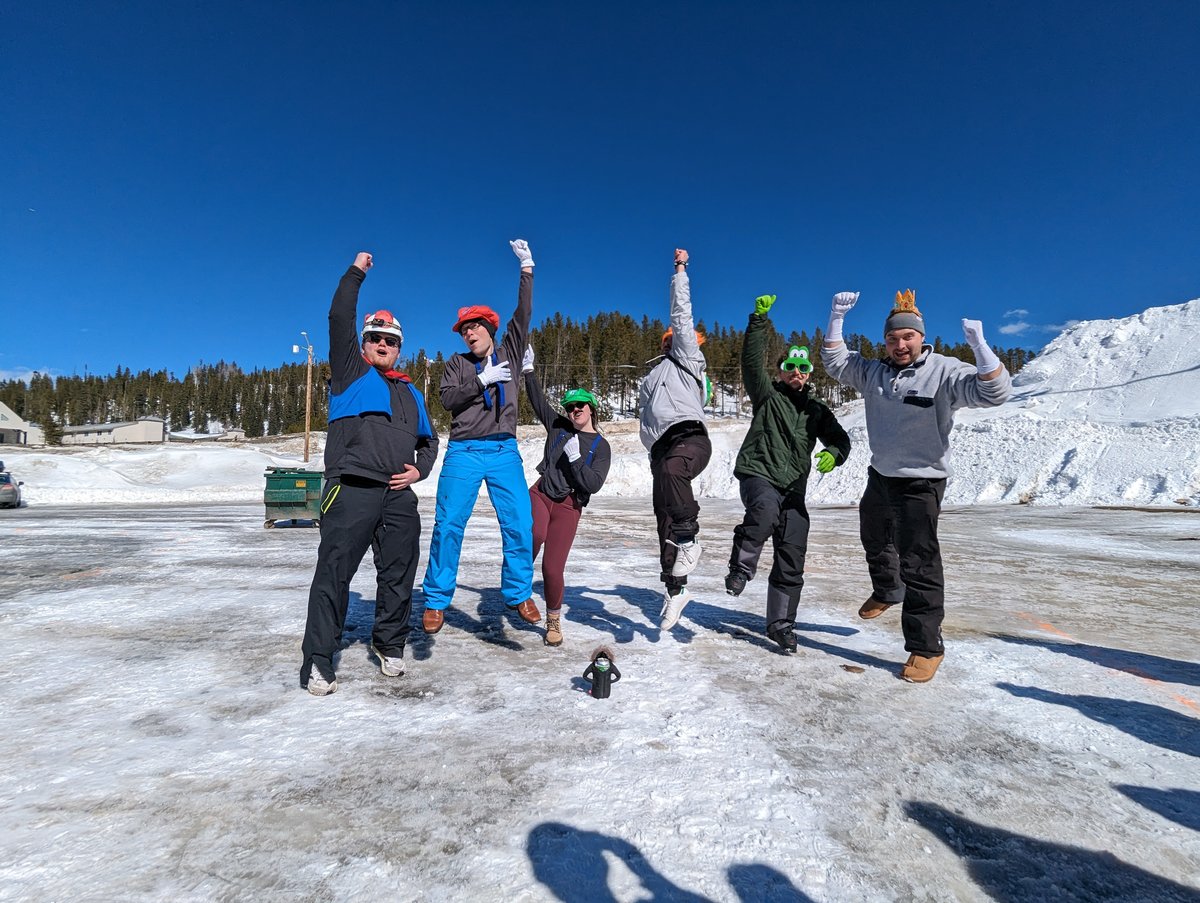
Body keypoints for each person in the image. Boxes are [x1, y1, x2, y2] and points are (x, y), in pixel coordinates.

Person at [821, 289, 1011, 683]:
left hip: (923, 481)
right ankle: (889, 590)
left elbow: (994, 393)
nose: (900, 344)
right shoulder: (874, 372)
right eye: (892, 338)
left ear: (922, 337)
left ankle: (926, 647)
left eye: (907, 337)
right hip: (882, 474)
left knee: (919, 561)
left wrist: (980, 346)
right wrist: (836, 318)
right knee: (874, 537)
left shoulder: (944, 371)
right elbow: (835, 361)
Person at [300, 251, 439, 697]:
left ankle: (390, 644)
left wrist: (418, 470)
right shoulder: (350, 372)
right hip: (351, 489)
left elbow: (429, 441)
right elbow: (339, 314)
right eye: (376, 337)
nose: (383, 345)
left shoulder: (410, 393)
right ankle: (319, 661)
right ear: (363, 344)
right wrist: (356, 273)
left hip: (397, 496)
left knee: (399, 574)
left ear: (400, 347)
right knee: (334, 574)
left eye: (391, 340)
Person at [420, 240, 537, 634]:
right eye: (464, 330)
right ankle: (436, 600)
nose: (469, 334)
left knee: (520, 523)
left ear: (490, 329)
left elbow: (524, 313)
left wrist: (527, 269)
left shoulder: (511, 351)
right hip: (464, 451)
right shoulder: (456, 364)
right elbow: (448, 399)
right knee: (449, 524)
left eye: (475, 327)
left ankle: (519, 593)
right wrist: (481, 380)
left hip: (504, 451)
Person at [725, 294, 852, 652]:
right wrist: (758, 321)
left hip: (794, 488)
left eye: (804, 369)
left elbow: (840, 438)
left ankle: (780, 624)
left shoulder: (816, 410)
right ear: (781, 371)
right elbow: (751, 362)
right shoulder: (768, 396)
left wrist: (834, 453)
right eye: (791, 368)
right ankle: (741, 569)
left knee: (792, 553)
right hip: (759, 474)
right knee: (764, 512)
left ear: (810, 373)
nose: (797, 373)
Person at [638, 248, 712, 630]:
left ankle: (690, 538)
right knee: (662, 521)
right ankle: (676, 590)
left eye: (676, 337)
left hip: (690, 435)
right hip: (662, 448)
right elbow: (646, 422)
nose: (671, 340)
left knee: (673, 474)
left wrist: (680, 270)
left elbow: (681, 314)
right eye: (666, 339)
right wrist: (650, 448)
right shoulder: (650, 378)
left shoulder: (688, 358)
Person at [521, 346, 612, 647]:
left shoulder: (600, 446)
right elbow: (538, 403)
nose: (574, 411)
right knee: (533, 533)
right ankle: (518, 588)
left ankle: (553, 620)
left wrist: (574, 460)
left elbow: (594, 484)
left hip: (569, 506)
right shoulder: (559, 426)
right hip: (542, 493)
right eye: (571, 407)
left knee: (552, 568)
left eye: (580, 406)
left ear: (591, 409)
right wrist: (529, 371)